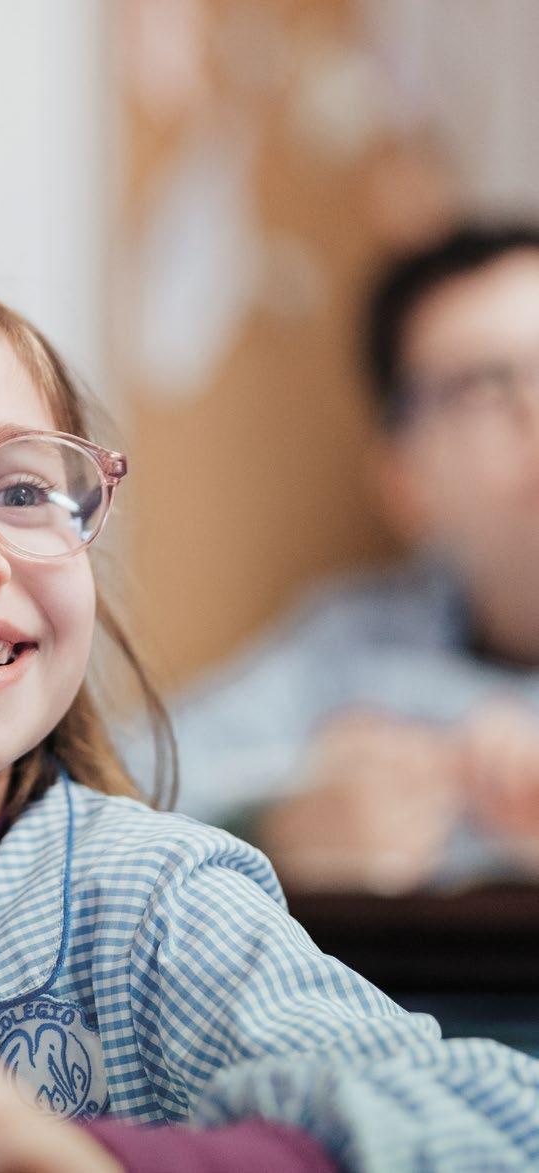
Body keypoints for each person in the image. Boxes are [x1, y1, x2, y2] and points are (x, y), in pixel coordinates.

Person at [0, 257, 536, 1173]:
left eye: (21, 491)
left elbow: (501, 1128)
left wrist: (110, 1161)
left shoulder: (160, 910)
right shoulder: (344, 638)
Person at [150, 223, 539, 895]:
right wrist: (272, 829)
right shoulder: (348, 653)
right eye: (484, 388)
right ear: (404, 479)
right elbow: (113, 788)